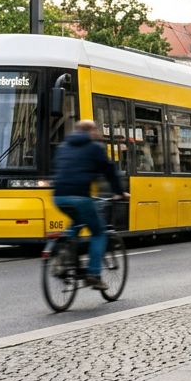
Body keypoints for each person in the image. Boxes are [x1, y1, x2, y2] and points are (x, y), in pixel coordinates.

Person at [51, 119, 127, 290]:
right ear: (90, 131)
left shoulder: (62, 147)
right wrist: (120, 192)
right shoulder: (94, 148)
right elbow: (110, 171)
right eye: (95, 130)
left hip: (58, 197)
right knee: (98, 232)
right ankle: (93, 274)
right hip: (80, 196)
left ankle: (64, 257)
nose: (97, 133)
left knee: (76, 222)